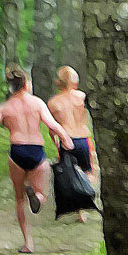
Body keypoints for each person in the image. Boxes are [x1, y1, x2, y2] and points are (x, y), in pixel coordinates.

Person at [0, 65, 73, 254]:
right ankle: (38, 198)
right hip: (36, 151)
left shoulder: (5, 107)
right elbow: (52, 124)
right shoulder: (37, 103)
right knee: (41, 191)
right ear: (26, 84)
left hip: (17, 151)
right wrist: (65, 139)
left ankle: (28, 243)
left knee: (19, 200)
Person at [46, 66, 99, 222]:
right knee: (89, 171)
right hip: (83, 138)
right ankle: (87, 198)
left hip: (66, 140)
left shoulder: (53, 102)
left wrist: (56, 142)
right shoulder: (82, 97)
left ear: (58, 82)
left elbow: (52, 128)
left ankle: (79, 210)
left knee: (70, 175)